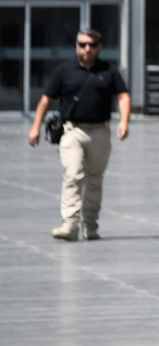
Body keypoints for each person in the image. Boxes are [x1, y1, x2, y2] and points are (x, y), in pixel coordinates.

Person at [27, 29, 131, 241]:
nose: (87, 49)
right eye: (83, 44)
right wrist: (35, 127)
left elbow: (123, 96)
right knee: (73, 174)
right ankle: (70, 225)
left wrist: (124, 121)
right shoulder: (65, 71)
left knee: (94, 180)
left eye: (92, 45)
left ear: (99, 47)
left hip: (100, 132)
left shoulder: (109, 71)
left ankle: (90, 226)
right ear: (76, 46)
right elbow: (46, 100)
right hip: (72, 131)